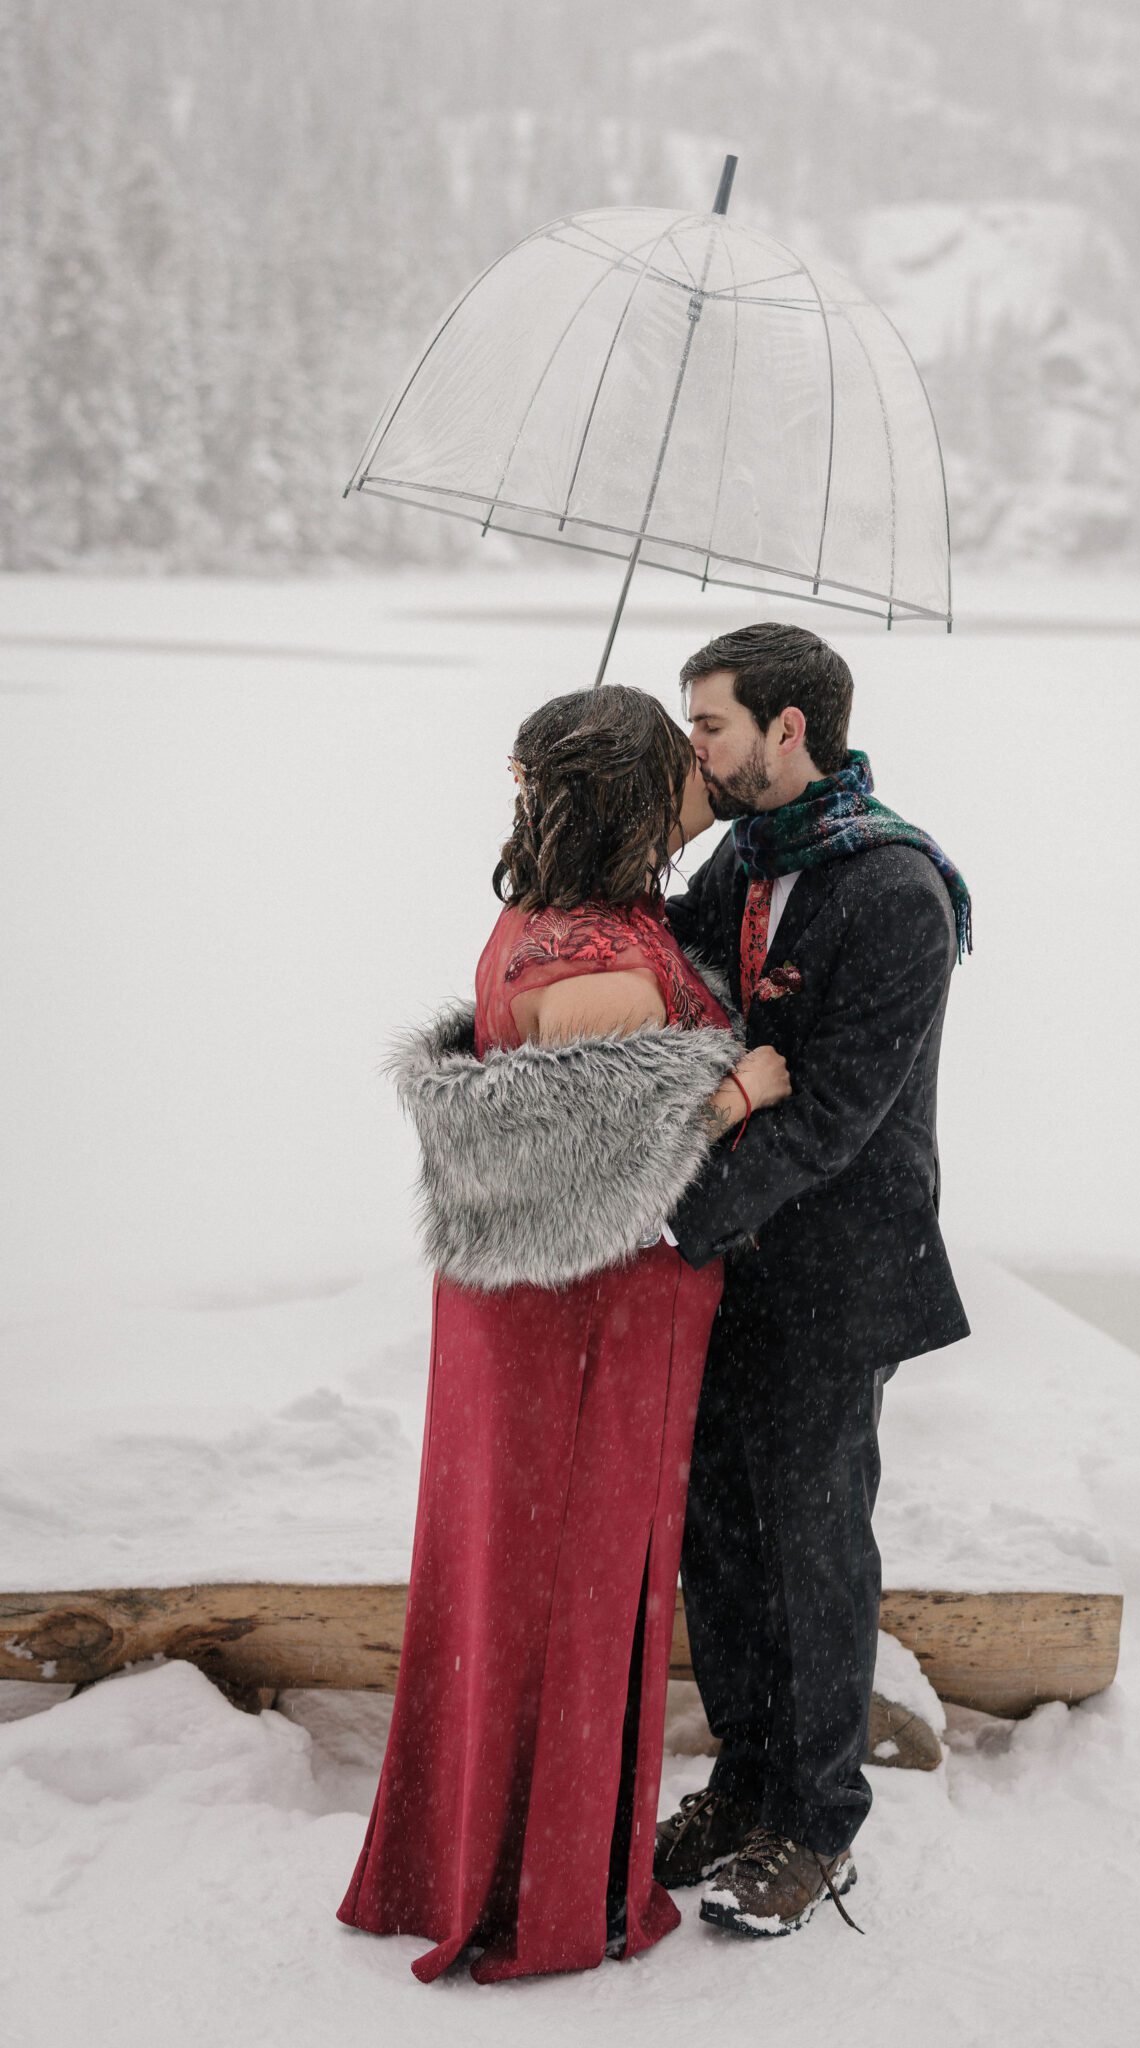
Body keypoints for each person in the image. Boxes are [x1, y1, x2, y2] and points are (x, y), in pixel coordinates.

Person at [336, 684, 790, 1984]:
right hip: (588, 1323)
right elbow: (603, 1176)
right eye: (675, 766)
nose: (699, 779)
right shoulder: (594, 969)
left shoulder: (558, 914)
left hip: (527, 1316)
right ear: (627, 800)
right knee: (573, 1595)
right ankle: (543, 1900)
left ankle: (473, 1852)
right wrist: (734, 1093)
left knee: (512, 1582)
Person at [655, 621, 972, 1938]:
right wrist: (572, 861)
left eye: (709, 726)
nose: (696, 749)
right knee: (714, 1535)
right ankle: (740, 1782)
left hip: (839, 1272)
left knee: (811, 1543)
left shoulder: (892, 890)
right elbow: (660, 958)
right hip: (735, 1258)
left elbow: (837, 1110)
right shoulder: (745, 846)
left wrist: (668, 1208)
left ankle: (814, 1823)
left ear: (790, 729)